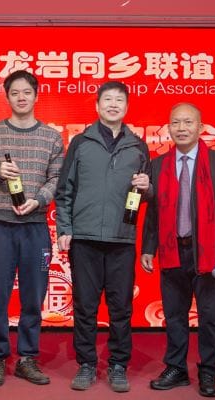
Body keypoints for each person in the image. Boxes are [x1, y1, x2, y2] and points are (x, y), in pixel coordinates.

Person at [140, 102, 215, 397]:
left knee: (210, 316)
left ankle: (208, 371)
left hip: (210, 254)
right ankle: (176, 368)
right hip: (173, 250)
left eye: (188, 122)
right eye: (175, 123)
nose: (181, 128)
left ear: (201, 127)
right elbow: (154, 212)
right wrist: (148, 248)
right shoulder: (159, 165)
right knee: (174, 315)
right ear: (168, 128)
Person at [55, 81, 150, 393]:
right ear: (97, 106)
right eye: (107, 99)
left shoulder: (138, 146)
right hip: (84, 238)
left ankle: (118, 364)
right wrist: (65, 229)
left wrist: (147, 187)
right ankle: (86, 363)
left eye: (119, 100)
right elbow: (65, 190)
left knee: (121, 307)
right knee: (85, 306)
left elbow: (147, 192)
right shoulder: (81, 143)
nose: (113, 105)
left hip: (122, 238)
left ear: (127, 107)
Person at [0, 70, 64, 387]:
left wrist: (39, 201)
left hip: (35, 227)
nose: (21, 97)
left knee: (33, 296)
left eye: (27, 92)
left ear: (37, 96)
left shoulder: (51, 136)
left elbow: (57, 179)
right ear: (7, 97)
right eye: (15, 93)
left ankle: (27, 357)